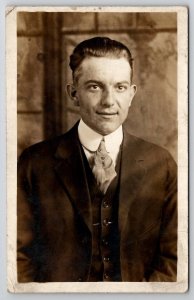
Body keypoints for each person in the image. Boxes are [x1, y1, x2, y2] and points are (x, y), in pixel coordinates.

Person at [17, 37, 177, 282]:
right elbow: (16, 256)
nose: (109, 101)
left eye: (120, 87)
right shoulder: (34, 163)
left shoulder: (161, 164)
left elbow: (176, 258)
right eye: (95, 86)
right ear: (73, 92)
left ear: (132, 94)